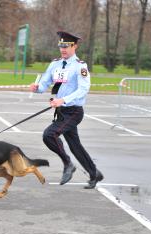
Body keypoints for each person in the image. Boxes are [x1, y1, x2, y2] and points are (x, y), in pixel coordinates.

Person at [30, 31, 103, 189]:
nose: (63, 49)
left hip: (74, 111)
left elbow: (83, 89)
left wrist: (63, 100)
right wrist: (37, 88)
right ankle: (94, 173)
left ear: (75, 46)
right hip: (61, 111)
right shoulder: (55, 64)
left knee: (49, 135)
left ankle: (68, 164)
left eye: (67, 46)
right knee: (75, 145)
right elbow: (45, 83)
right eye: (61, 46)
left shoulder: (80, 66)